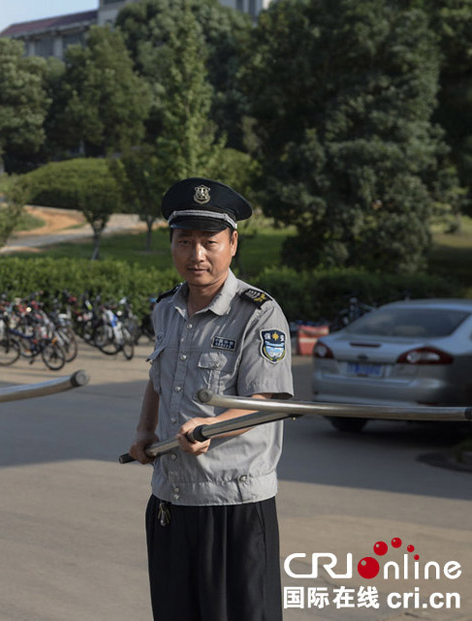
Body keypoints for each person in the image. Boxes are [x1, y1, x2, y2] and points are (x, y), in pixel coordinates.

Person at [128, 177, 294, 620]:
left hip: (233, 504)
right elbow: (157, 378)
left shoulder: (259, 313)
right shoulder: (166, 308)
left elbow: (265, 402)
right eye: (185, 241)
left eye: (209, 242)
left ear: (232, 244)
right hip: (171, 498)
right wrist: (145, 430)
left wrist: (211, 429)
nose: (196, 254)